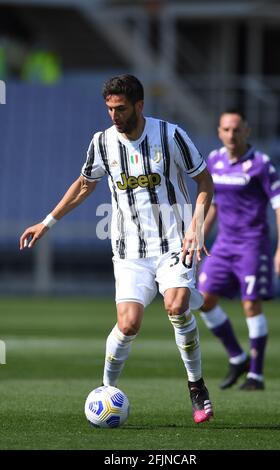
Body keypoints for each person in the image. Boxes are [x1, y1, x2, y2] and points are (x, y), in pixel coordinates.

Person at [20, 74, 214, 424]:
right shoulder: (102, 142)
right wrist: (46, 221)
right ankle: (106, 390)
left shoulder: (171, 136)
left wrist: (196, 227)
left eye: (121, 108)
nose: (114, 115)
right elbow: (84, 184)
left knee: (177, 303)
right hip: (130, 250)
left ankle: (196, 386)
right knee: (128, 325)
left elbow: (204, 180)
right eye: (109, 108)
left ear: (139, 105)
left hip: (174, 242)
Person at [197, 109, 280, 391]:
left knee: (250, 304)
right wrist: (199, 236)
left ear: (246, 131)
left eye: (236, 129)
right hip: (224, 244)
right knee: (202, 300)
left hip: (253, 244)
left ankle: (256, 375)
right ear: (219, 132)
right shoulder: (214, 161)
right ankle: (237, 356)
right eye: (226, 129)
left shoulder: (261, 164)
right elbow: (212, 205)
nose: (231, 134)